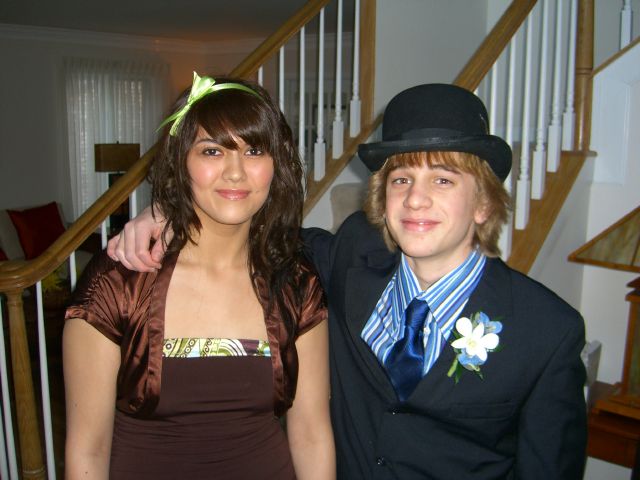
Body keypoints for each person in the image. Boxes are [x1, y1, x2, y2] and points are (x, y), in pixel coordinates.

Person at [108, 83, 587, 479]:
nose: (416, 199)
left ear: (483, 203)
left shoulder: (547, 331)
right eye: (401, 180)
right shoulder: (348, 259)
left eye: (442, 180)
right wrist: (166, 214)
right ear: (381, 197)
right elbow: (248, 225)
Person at [64, 73, 335, 480]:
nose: (235, 172)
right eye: (212, 151)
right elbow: (88, 450)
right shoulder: (120, 281)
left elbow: (312, 434)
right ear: (181, 162)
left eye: (254, 150)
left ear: (275, 165)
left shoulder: (296, 280)